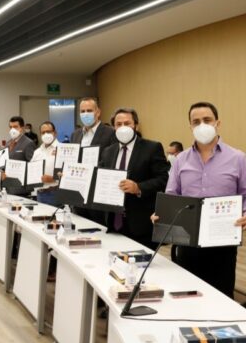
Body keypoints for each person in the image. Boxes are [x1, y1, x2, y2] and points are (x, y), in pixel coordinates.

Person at [159, 102, 246, 298]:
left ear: (217, 123)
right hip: (187, 242)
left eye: (207, 120)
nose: (202, 125)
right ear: (190, 126)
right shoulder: (180, 160)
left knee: (221, 297)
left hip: (223, 243)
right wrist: (161, 214)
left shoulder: (238, 158)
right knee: (187, 296)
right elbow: (171, 196)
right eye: (196, 122)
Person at [92, 108, 169, 249]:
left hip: (140, 225)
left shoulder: (152, 148)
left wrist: (138, 188)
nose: (123, 127)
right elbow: (99, 177)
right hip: (112, 223)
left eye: (127, 123)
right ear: (113, 127)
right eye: (118, 124)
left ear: (136, 125)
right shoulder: (108, 151)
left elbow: (164, 179)